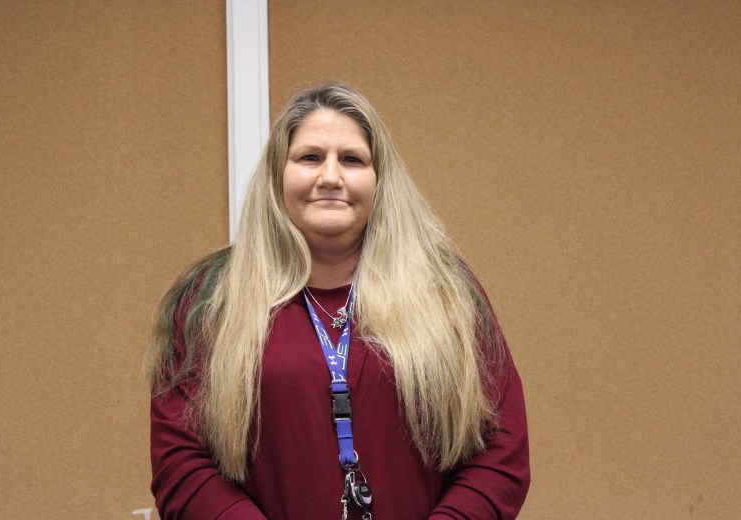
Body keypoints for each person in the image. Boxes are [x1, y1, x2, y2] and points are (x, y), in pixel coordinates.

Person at [144, 81, 530, 519]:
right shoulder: (210, 296)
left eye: (352, 159)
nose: (330, 177)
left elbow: (501, 447)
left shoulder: (444, 289)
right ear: (277, 175)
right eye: (310, 157)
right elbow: (182, 463)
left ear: (380, 179)